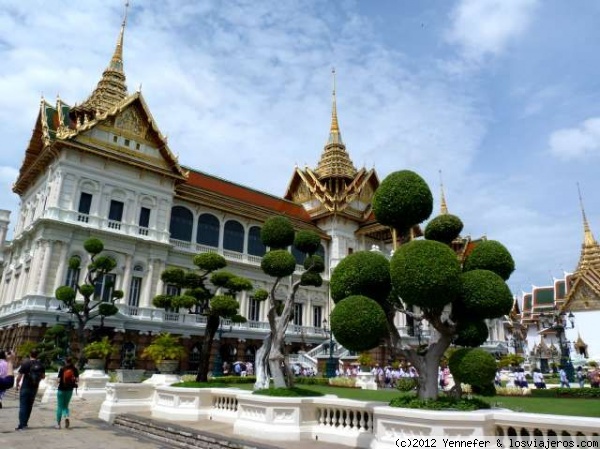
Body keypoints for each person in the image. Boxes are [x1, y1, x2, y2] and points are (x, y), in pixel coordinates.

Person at [15, 349, 45, 431]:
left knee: (23, 406)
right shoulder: (40, 364)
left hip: (25, 386)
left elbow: (19, 377)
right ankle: (25, 423)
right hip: (34, 387)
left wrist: (17, 384)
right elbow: (43, 376)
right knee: (29, 406)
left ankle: (21, 425)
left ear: (30, 354)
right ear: (37, 355)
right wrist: (36, 379)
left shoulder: (25, 363)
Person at [55, 357, 79, 429]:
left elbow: (58, 380)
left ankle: (58, 424)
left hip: (61, 390)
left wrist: (57, 381)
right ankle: (66, 416)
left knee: (60, 406)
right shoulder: (74, 369)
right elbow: (77, 380)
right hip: (69, 390)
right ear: (71, 361)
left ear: (65, 361)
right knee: (65, 406)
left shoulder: (62, 369)